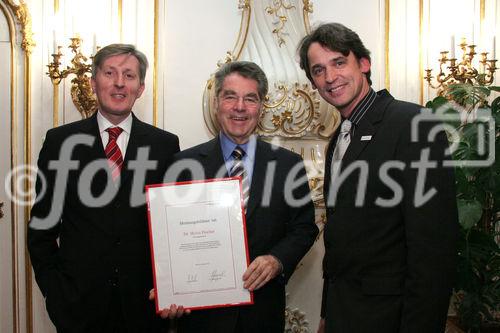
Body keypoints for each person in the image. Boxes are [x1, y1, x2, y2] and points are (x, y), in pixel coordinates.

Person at [297, 23, 459, 333]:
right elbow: (341, 240)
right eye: (319, 70)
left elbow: (433, 249)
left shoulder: (413, 123)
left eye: (339, 62)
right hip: (346, 316)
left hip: (392, 318)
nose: (330, 78)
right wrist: (328, 313)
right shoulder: (339, 139)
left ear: (364, 63)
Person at [28, 43, 180, 332]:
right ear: (92, 82)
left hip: (144, 308)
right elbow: (42, 226)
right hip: (78, 308)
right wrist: (55, 292)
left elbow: (172, 227)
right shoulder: (60, 143)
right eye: (110, 73)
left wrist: (174, 287)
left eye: (129, 75)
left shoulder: (165, 145)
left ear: (141, 87)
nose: (119, 82)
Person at [171, 61, 318, 332]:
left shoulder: (288, 165)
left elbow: (304, 228)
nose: (240, 107)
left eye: (250, 98)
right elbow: (170, 238)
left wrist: (277, 259)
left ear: (261, 107)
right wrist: (172, 287)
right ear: (217, 103)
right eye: (230, 97)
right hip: (202, 319)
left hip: (262, 314)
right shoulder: (182, 164)